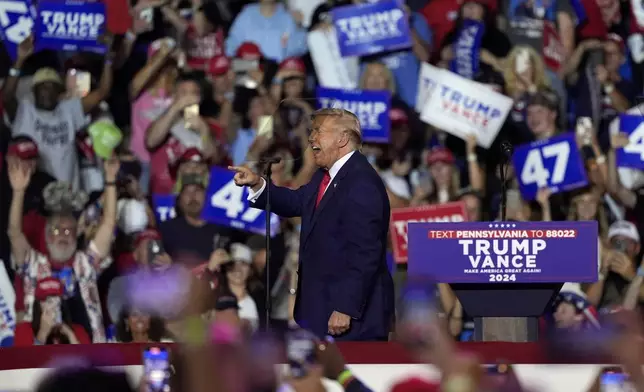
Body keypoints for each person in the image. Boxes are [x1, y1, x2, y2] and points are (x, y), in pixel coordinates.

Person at [230, 108, 394, 341]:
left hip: (352, 319)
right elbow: (297, 201)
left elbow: (365, 252)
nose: (311, 138)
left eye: (318, 131)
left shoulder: (361, 182)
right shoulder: (326, 175)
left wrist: (345, 308)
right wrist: (258, 184)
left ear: (342, 139)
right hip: (322, 310)